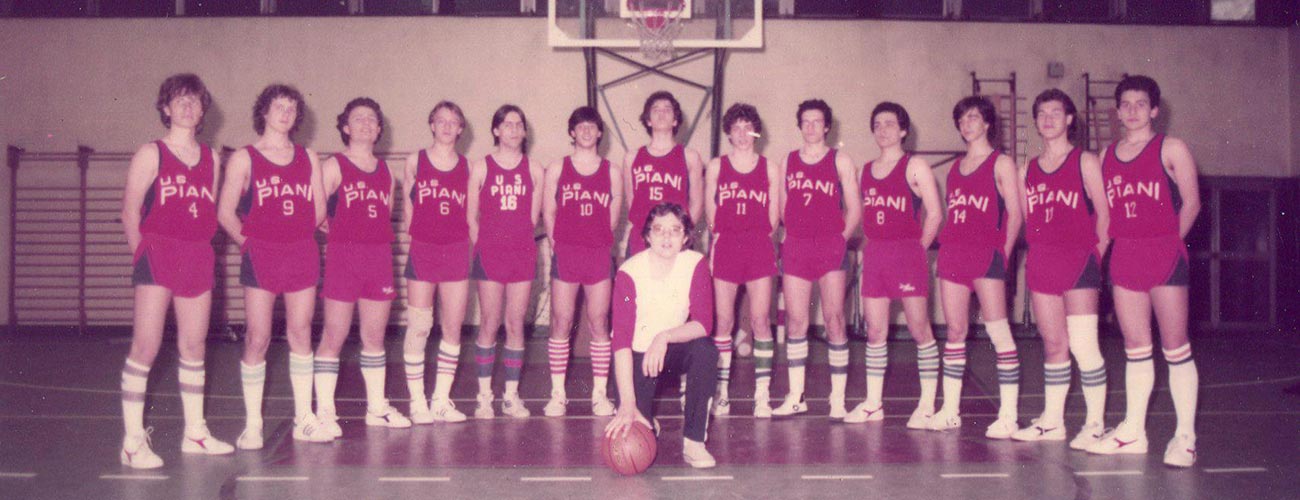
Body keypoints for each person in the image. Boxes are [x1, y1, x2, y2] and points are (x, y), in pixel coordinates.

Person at [119, 73, 232, 468]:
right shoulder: (150, 153)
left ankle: (195, 433)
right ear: (165, 108)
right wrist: (143, 256)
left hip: (197, 254)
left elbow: (208, 211)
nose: (188, 106)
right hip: (158, 252)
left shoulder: (212, 158)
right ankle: (133, 442)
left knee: (193, 345)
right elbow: (130, 212)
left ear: (203, 111)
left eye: (195, 101)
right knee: (147, 346)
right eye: (179, 100)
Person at [1087, 75, 1201, 468]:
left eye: (1141, 104)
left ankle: (1185, 437)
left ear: (1154, 109)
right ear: (1117, 111)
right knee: (1135, 348)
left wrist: (1170, 243)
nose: (1133, 110)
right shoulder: (1105, 156)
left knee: (1175, 346)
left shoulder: (1172, 148)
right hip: (1125, 255)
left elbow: (1191, 203)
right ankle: (1134, 430)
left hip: (1164, 253)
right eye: (1126, 104)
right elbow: (1105, 213)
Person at [217, 84, 330, 447]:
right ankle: (253, 424)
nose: (286, 113)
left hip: (301, 252)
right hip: (261, 254)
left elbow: (319, 209)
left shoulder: (308, 157)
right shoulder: (244, 158)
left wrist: (294, 235)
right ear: (263, 112)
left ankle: (303, 418)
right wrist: (249, 243)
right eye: (279, 106)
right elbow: (224, 212)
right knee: (258, 337)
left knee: (300, 333)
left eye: (292, 108)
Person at [1011, 89, 1110, 448]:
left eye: (1056, 112)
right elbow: (1026, 219)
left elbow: (1106, 215)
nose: (1048, 118)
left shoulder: (1084, 161)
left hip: (1079, 260)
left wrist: (1094, 256)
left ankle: (1095, 423)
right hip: (1042, 261)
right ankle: (1053, 421)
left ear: (1070, 119)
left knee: (1084, 345)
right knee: (1054, 344)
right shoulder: (1027, 170)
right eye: (1042, 113)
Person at [312, 98, 410, 436]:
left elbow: (384, 217)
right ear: (345, 127)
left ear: (379, 128)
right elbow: (316, 215)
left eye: (372, 119)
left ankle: (377, 408)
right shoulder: (333, 165)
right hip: (344, 259)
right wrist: (338, 234)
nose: (367, 123)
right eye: (359, 118)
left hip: (378, 258)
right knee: (334, 334)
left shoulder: (387, 173)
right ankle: (325, 411)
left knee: (374, 336)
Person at [844, 102, 944, 428]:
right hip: (876, 255)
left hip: (907, 255)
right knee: (875, 331)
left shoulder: (915, 166)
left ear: (903, 130)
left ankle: (927, 404)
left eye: (890, 123)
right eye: (877, 124)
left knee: (919, 329)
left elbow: (935, 213)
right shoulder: (865, 170)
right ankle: (874, 404)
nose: (883, 129)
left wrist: (919, 250)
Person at [932, 95, 1024, 439]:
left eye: (973, 118)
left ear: (987, 123)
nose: (967, 124)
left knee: (999, 332)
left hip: (987, 254)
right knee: (955, 332)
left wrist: (1004, 252)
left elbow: (1015, 213)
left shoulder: (1001, 163)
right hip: (954, 253)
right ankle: (950, 410)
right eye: (962, 119)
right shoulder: (956, 167)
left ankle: (1009, 414)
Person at [605, 202, 718, 469]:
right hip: (635, 357)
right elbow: (620, 341)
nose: (667, 237)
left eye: (675, 230)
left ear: (686, 237)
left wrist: (664, 337)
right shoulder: (629, 272)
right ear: (647, 235)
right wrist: (628, 404)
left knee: (705, 350)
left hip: (670, 351)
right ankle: (644, 414)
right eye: (659, 230)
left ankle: (694, 442)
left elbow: (704, 324)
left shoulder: (695, 263)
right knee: (633, 425)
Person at [773, 99, 863, 417]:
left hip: (830, 246)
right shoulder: (787, 160)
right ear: (800, 126)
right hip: (797, 245)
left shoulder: (840, 160)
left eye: (817, 121)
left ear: (827, 126)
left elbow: (855, 208)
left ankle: (837, 398)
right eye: (806, 121)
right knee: (796, 321)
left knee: (835, 320)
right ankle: (796, 395)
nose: (811, 127)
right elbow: (783, 207)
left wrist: (840, 238)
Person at [542, 106, 623, 417]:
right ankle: (557, 394)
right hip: (567, 251)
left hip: (598, 253)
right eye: (581, 127)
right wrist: (553, 242)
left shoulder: (611, 171)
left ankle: (600, 394)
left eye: (592, 126)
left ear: (599, 132)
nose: (587, 131)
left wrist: (603, 237)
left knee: (599, 322)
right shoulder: (558, 168)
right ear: (572, 133)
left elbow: (615, 211)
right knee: (561, 322)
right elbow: (549, 210)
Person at [467, 104, 544, 419]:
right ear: (496, 130)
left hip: (521, 254)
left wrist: (518, 245)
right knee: (488, 323)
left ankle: (511, 396)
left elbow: (533, 219)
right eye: (507, 124)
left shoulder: (534, 169)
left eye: (518, 124)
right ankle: (484, 395)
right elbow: (471, 217)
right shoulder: (481, 167)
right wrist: (482, 248)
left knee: (515, 324)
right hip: (490, 254)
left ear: (524, 132)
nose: (513, 129)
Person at [703, 103, 780, 417]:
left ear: (756, 131)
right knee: (723, 322)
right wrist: (716, 244)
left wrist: (759, 238)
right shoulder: (717, 166)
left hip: (758, 246)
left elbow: (774, 218)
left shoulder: (769, 167)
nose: (742, 133)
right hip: (727, 246)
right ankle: (721, 393)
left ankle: (762, 396)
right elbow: (711, 211)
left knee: (760, 321)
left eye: (748, 127)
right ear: (729, 133)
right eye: (736, 128)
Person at [402, 101, 472, 424]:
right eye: (440, 120)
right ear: (432, 125)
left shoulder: (468, 167)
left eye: (452, 121)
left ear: (460, 129)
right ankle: (417, 402)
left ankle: (441, 400)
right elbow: (408, 207)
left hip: (456, 249)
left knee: (453, 327)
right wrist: (415, 240)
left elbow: (471, 214)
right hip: (424, 249)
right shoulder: (415, 161)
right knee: (419, 326)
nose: (446, 126)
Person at [622, 91, 705, 257]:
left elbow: (697, 203)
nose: (661, 113)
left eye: (667, 109)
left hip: (675, 238)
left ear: (675, 120)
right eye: (656, 109)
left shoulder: (690, 156)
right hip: (642, 237)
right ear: (648, 120)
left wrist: (681, 234)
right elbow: (631, 201)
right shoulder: (632, 157)